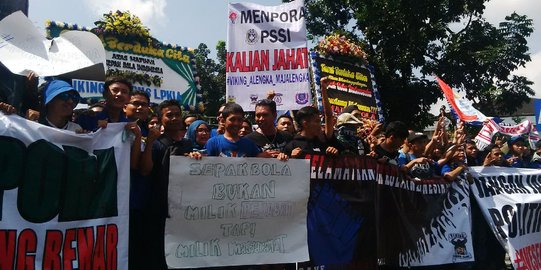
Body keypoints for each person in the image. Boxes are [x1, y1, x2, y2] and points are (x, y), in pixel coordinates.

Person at [138, 99, 192, 269]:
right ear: (161, 119)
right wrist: (150, 144)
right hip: (159, 207)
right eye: (169, 115)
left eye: (177, 114)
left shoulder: (188, 144)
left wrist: (196, 159)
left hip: (183, 207)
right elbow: (145, 171)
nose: (175, 118)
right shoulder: (157, 144)